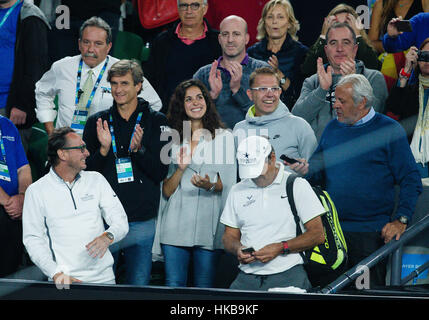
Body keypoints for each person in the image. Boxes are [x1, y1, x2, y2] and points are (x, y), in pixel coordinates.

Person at [291, 74, 422, 288]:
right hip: (332, 233)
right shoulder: (333, 128)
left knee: (365, 294)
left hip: (370, 235)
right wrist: (304, 169)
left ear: (362, 102)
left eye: (341, 101)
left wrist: (401, 220)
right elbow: (316, 170)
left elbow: (410, 178)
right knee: (329, 292)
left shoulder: (389, 130)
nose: (335, 106)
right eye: (335, 100)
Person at [82, 59, 169, 285]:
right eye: (114, 84)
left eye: (125, 83)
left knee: (138, 285)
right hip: (104, 220)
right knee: (100, 284)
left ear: (138, 86)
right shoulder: (96, 122)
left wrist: (139, 151)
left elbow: (160, 172)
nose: (118, 90)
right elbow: (84, 173)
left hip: (141, 220)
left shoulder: (159, 121)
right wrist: (102, 151)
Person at [153, 79, 236, 288]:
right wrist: (181, 169)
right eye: (189, 99)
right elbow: (166, 190)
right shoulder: (170, 138)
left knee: (205, 288)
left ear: (207, 101)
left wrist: (208, 184)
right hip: (174, 224)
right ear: (182, 105)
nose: (195, 102)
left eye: (200, 97)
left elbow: (227, 186)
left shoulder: (225, 137)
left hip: (208, 225)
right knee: (173, 286)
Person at [22, 127, 129, 285]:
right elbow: (33, 240)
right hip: (65, 282)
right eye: (80, 148)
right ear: (62, 154)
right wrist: (55, 274)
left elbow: (121, 221)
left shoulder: (96, 180)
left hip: (104, 280)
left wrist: (108, 236)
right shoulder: (36, 191)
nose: (87, 153)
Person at [220, 135, 325, 291]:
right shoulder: (237, 190)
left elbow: (317, 234)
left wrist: (280, 247)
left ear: (272, 157)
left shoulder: (297, 185)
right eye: (250, 172)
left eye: (258, 170)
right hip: (246, 276)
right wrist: (238, 249)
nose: (255, 177)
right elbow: (229, 237)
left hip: (289, 274)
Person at [35, 16, 162, 137]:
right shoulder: (62, 67)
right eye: (86, 42)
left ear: (108, 47)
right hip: (65, 147)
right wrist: (50, 129)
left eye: (98, 44)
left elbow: (154, 104)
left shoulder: (125, 71)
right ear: (79, 44)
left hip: (104, 149)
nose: (90, 49)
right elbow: (42, 92)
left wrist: (127, 131)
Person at [292, 22, 388, 141]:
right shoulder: (313, 81)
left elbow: (373, 120)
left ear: (355, 49)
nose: (339, 49)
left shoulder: (374, 78)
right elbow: (297, 119)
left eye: (346, 42)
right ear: (326, 50)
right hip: (318, 155)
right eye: (333, 43)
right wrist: (321, 91)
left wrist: (353, 83)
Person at [145, 0, 222, 114]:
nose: (189, 11)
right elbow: (151, 80)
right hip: (169, 114)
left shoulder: (218, 42)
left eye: (195, 5)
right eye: (184, 6)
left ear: (205, 9)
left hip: (208, 114)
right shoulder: (162, 42)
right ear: (178, 9)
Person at [194, 15, 269, 129]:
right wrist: (212, 96)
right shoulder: (203, 74)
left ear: (246, 38)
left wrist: (238, 90)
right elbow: (192, 118)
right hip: (213, 141)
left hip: (253, 140)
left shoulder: (262, 71)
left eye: (236, 34)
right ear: (219, 39)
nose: (230, 40)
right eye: (225, 34)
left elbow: (267, 116)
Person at [233, 67, 317, 169]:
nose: (270, 94)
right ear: (250, 94)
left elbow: (315, 171)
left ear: (280, 92)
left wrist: (305, 171)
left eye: (274, 89)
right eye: (262, 89)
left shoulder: (299, 126)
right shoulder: (239, 129)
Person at [0, 0, 50, 151]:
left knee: (11, 167)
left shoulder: (31, 16)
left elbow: (36, 67)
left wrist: (23, 104)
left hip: (11, 107)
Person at [247, 0, 308, 109]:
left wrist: (278, 74)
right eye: (270, 17)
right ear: (264, 22)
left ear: (289, 23)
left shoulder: (301, 53)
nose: (275, 21)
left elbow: (299, 95)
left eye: (280, 17)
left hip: (289, 113)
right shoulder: (252, 52)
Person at [385, 38, 429, 178]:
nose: (427, 60)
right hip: (409, 166)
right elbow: (392, 110)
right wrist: (406, 70)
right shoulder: (408, 92)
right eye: (424, 55)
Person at [301, 3, 381, 79]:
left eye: (347, 23)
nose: (342, 28)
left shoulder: (364, 48)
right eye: (337, 24)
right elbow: (307, 71)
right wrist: (323, 37)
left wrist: (357, 36)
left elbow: (373, 67)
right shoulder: (323, 47)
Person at [0, 116, 32, 278]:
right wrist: (7, 201)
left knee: (9, 271)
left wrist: (23, 196)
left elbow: (23, 168)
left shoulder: (7, 125)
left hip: (14, 211)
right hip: (8, 206)